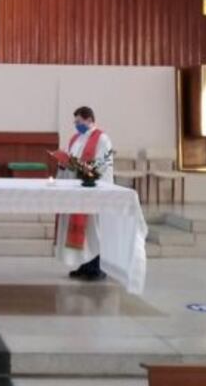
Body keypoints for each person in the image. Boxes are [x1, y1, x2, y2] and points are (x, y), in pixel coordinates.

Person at [55, 106, 114, 281]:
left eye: (79, 122)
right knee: (83, 233)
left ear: (89, 120)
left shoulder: (102, 139)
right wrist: (63, 165)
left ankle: (96, 268)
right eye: (75, 122)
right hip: (77, 192)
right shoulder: (76, 138)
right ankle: (83, 264)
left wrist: (84, 170)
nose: (76, 125)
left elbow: (104, 165)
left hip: (92, 191)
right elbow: (70, 158)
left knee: (93, 231)